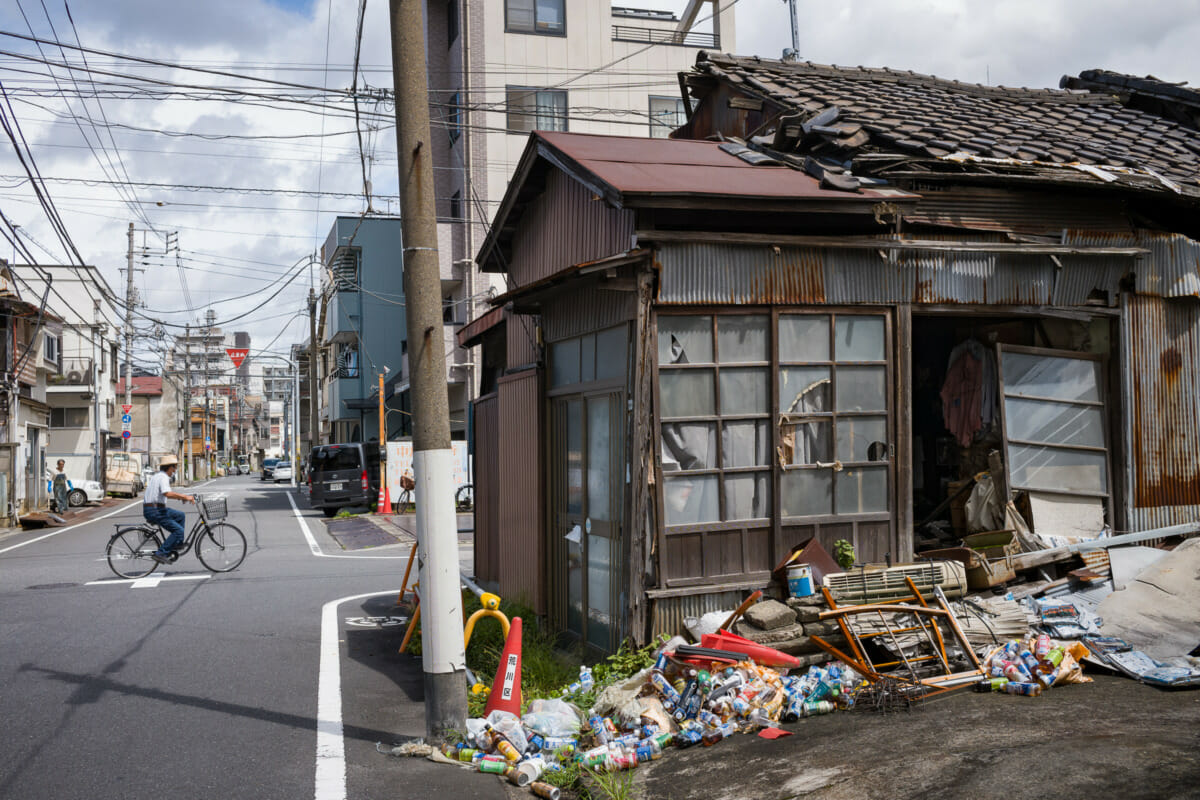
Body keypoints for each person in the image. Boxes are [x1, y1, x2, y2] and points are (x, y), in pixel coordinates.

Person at [144, 455, 195, 564]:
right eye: (175, 467)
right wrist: (185, 497)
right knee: (178, 530)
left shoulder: (157, 476)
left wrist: (181, 498)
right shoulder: (163, 477)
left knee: (180, 515)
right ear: (170, 467)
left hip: (155, 508)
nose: (175, 470)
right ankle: (161, 553)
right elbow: (167, 493)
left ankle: (178, 543)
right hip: (155, 511)